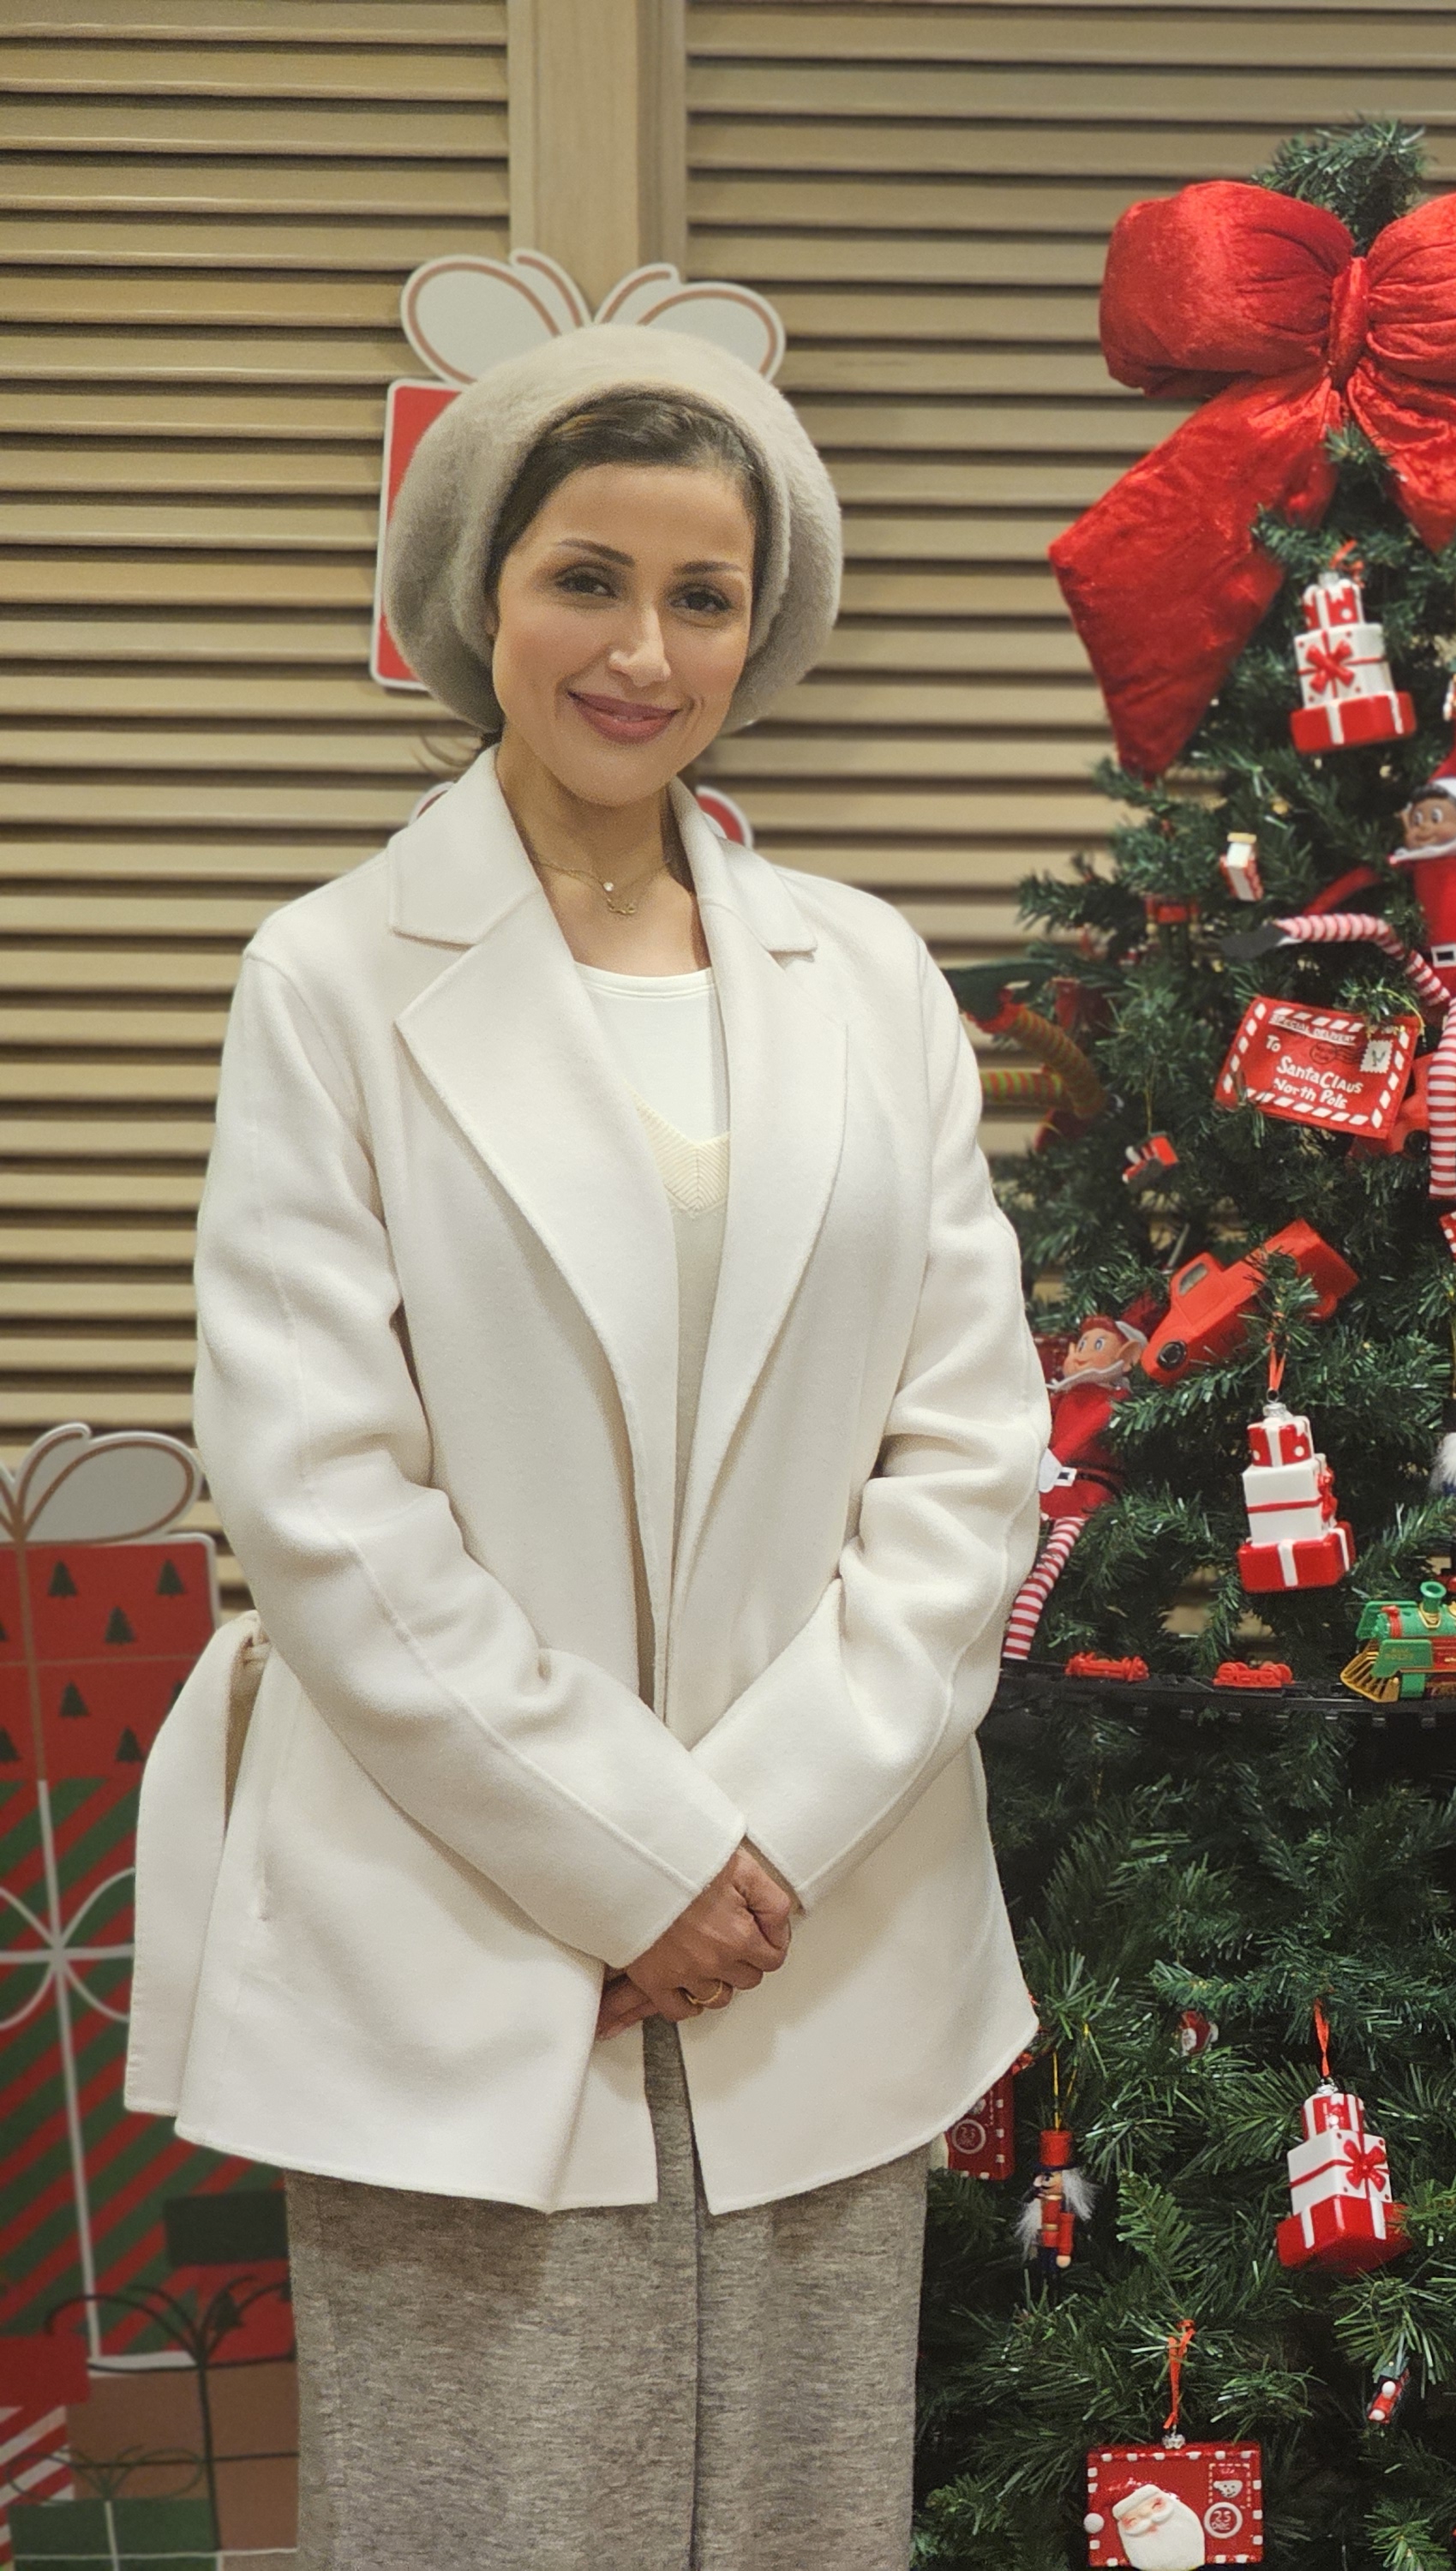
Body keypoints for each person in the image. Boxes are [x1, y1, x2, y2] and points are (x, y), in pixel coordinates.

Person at [132, 323, 1051, 2570]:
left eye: (700, 596)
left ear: (763, 627)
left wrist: (758, 1839)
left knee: (805, 2517)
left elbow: (969, 1456)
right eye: (587, 581)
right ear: (480, 594)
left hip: (823, 1926)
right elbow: (320, 1494)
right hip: (458, 1921)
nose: (642, 653)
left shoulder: (871, 979)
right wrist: (627, 1860)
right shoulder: (333, 980)